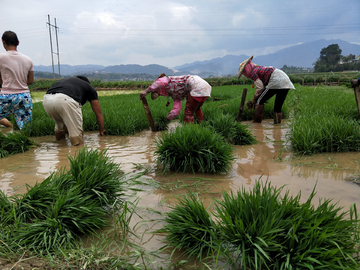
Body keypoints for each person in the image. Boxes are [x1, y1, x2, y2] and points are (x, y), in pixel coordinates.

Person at [42, 76, 105, 146]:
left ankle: (60, 148)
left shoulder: (66, 82)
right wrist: (101, 131)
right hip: (64, 99)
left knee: (60, 125)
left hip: (47, 100)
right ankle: (77, 152)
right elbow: (98, 113)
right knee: (76, 136)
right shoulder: (89, 87)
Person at [238, 56, 295, 124]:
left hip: (275, 81)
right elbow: (264, 85)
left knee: (259, 100)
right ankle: (277, 126)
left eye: (244, 73)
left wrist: (255, 97)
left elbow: (260, 87)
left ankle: (256, 123)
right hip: (286, 81)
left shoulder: (253, 72)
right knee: (278, 107)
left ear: (246, 70)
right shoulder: (258, 68)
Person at [139, 74, 211, 123]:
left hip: (196, 85)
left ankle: (188, 131)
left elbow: (160, 83)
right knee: (197, 108)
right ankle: (201, 125)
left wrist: (147, 91)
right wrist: (167, 118)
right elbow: (176, 109)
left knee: (188, 112)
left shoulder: (164, 80)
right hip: (205, 87)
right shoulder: (175, 93)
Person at [0, 31, 34, 130]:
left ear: (3, 42)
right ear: (18, 42)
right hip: (24, 97)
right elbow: (30, 81)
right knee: (26, 129)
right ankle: (28, 143)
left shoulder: (1, 57)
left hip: (6, 96)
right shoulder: (28, 60)